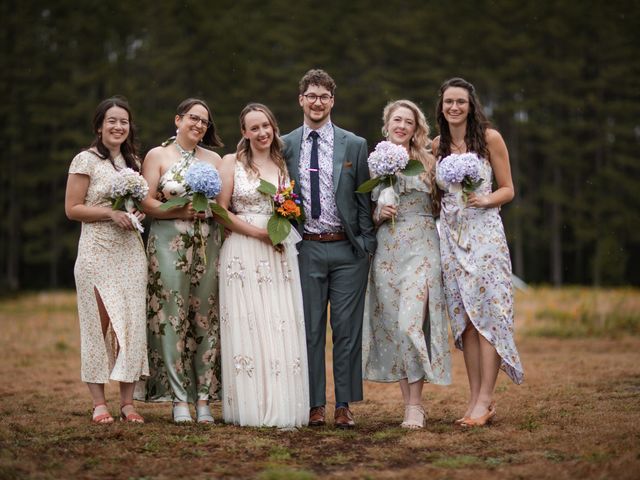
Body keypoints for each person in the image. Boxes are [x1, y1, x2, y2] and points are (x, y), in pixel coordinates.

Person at [282, 69, 377, 428]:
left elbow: (363, 196)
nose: (317, 102)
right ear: (301, 100)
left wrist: (366, 244)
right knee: (309, 330)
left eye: (324, 96)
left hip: (347, 250)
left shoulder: (353, 144)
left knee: (347, 330)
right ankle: (314, 404)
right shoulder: (285, 144)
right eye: (311, 96)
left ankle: (344, 404)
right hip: (305, 248)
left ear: (332, 101)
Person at [433, 77, 524, 427]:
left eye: (460, 101)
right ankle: (475, 400)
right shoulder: (437, 145)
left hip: (485, 238)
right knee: (466, 322)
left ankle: (486, 399)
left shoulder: (489, 138)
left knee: (489, 317)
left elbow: (508, 189)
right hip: (451, 242)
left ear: (471, 105)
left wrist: (485, 198)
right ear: (441, 107)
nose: (454, 107)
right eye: (448, 102)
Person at [217, 103, 309, 428]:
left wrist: (280, 229)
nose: (261, 133)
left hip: (278, 251)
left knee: (277, 322)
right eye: (254, 128)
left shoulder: (281, 165)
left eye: (266, 126)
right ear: (244, 132)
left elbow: (288, 208)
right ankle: (252, 406)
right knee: (248, 323)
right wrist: (258, 233)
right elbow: (221, 210)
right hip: (243, 250)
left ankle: (281, 403)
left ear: (273, 127)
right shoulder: (232, 163)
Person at [362, 100, 451, 429]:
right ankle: (409, 404)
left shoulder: (429, 160)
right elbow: (362, 215)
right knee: (396, 325)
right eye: (396, 120)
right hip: (387, 251)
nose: (402, 126)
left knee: (410, 323)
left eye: (408, 122)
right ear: (387, 124)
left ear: (416, 128)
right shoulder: (373, 163)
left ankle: (416, 405)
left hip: (423, 247)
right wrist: (377, 214)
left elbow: (445, 203)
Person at [139, 98, 224, 423]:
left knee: (204, 318)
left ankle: (203, 398)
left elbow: (223, 205)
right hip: (167, 244)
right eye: (193, 118)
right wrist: (178, 209)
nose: (199, 125)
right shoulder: (158, 155)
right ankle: (178, 399)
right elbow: (146, 202)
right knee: (170, 317)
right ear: (178, 119)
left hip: (207, 244)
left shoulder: (214, 159)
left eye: (204, 121)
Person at [65, 96, 149, 424]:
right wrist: (110, 214)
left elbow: (137, 203)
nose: (118, 126)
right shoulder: (85, 160)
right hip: (96, 253)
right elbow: (72, 209)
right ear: (99, 126)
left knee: (129, 324)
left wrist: (135, 213)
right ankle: (99, 403)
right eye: (111, 121)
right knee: (98, 325)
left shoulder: (135, 164)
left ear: (129, 128)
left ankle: (127, 403)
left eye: (123, 122)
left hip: (130, 251)